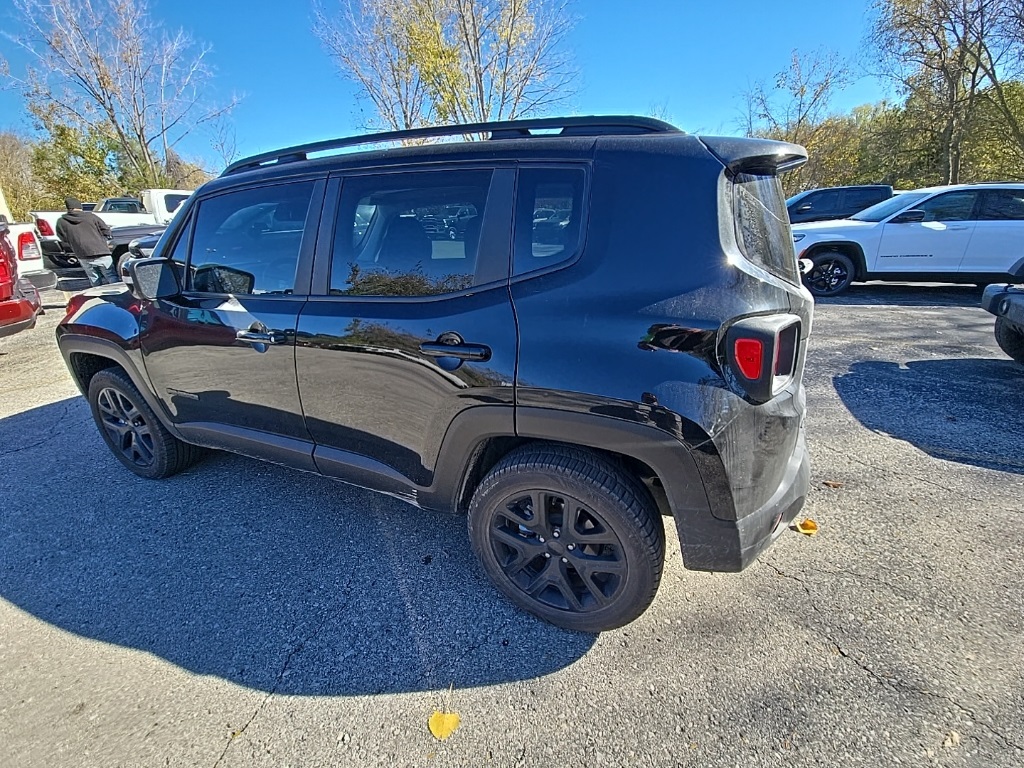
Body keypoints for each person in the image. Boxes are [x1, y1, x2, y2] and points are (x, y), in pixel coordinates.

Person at [56, 197, 118, 286]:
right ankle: (118, 295)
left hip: (82, 253)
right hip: (101, 251)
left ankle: (99, 297)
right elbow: (106, 230)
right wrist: (104, 240)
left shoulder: (61, 221)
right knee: (111, 275)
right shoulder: (91, 217)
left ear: (68, 208)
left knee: (94, 278)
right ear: (80, 207)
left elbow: (63, 238)